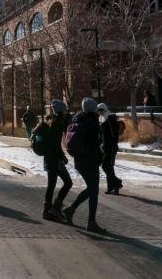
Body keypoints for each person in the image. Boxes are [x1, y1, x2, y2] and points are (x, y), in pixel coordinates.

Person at [63, 97, 106, 233]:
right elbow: (95, 144)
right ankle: (90, 222)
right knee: (93, 190)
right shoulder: (92, 122)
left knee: (92, 189)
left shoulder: (77, 119)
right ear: (92, 109)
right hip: (90, 160)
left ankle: (71, 210)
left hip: (79, 160)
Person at [42, 99, 72, 222]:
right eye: (64, 110)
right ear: (60, 111)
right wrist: (62, 156)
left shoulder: (50, 120)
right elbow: (55, 144)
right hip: (55, 159)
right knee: (68, 182)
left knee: (51, 185)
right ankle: (55, 208)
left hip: (49, 158)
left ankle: (48, 211)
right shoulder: (57, 123)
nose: (65, 113)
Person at [97, 102, 123, 195]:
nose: (99, 112)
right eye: (98, 110)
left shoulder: (110, 118)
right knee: (109, 167)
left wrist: (112, 145)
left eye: (101, 110)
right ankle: (112, 187)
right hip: (104, 147)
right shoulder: (101, 119)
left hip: (111, 147)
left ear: (105, 109)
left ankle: (117, 182)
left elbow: (114, 134)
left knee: (106, 166)